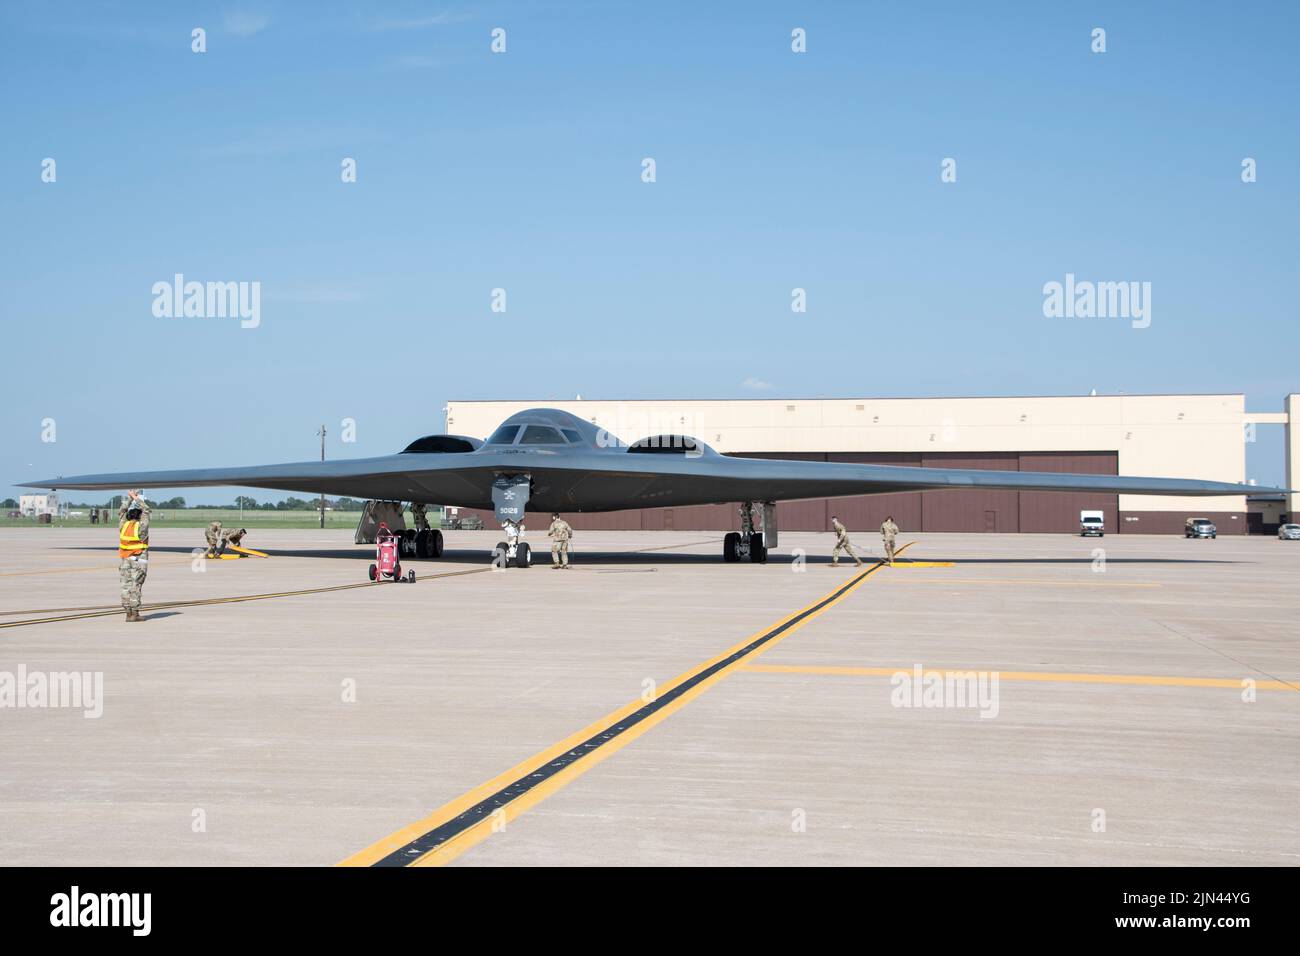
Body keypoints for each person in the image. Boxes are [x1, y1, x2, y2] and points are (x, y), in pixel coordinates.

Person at [118, 490, 150, 622]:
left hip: (125, 560)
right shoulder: (141, 527)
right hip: (139, 560)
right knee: (136, 586)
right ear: (139, 517)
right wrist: (136, 498)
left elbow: (122, 511)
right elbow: (146, 510)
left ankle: (127, 613)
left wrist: (130, 498)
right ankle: (135, 613)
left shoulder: (123, 525)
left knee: (126, 586)